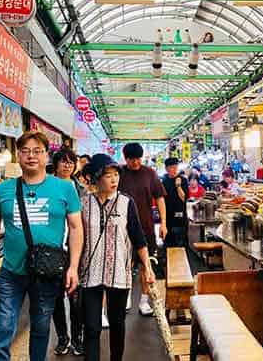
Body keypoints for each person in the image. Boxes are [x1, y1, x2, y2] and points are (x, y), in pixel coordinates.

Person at [0, 131, 83, 361]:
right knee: (3, 328)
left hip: (46, 273)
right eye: (25, 151)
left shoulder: (65, 189)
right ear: (18, 156)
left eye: (37, 151)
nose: (31, 156)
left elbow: (76, 228)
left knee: (41, 327)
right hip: (11, 272)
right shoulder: (4, 189)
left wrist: (73, 267)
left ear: (47, 155)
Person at [79, 154, 156, 361]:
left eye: (116, 175)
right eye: (108, 176)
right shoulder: (83, 204)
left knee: (117, 324)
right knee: (92, 327)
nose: (114, 180)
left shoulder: (126, 203)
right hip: (89, 273)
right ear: (95, 178)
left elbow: (138, 237)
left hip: (119, 273)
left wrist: (147, 268)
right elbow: (75, 238)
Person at [118, 143, 166, 316]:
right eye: (132, 159)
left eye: (138, 158)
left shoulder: (150, 173)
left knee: (147, 265)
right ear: (125, 159)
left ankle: (144, 302)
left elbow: (160, 198)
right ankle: (127, 295)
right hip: (123, 229)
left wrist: (164, 224)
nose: (135, 162)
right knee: (125, 265)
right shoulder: (120, 173)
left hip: (146, 227)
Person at [50, 148, 84, 356]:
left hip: (74, 249)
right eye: (63, 161)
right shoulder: (48, 185)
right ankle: (63, 337)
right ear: (55, 164)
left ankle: (78, 337)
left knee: (75, 296)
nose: (67, 165)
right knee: (55, 297)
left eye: (71, 162)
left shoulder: (80, 188)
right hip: (52, 249)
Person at [161, 157, 188, 248]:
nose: (174, 169)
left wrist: (178, 186)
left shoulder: (183, 180)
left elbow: (184, 199)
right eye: (171, 167)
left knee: (180, 243)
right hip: (167, 217)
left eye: (176, 167)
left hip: (179, 217)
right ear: (166, 168)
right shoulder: (164, 181)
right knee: (168, 243)